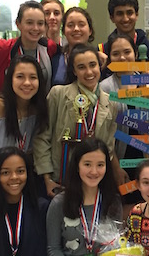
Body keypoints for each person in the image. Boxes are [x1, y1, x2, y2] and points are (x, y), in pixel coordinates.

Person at [33, 44, 119, 198]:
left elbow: (108, 147)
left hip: (93, 181)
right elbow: (42, 136)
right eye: (81, 67)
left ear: (100, 66)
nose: (89, 72)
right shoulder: (58, 94)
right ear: (74, 71)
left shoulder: (110, 102)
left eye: (93, 65)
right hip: (60, 180)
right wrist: (47, 178)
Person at [100, 33, 149, 214]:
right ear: (109, 58)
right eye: (116, 53)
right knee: (126, 211)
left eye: (127, 52)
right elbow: (104, 132)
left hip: (148, 157)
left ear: (136, 54)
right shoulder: (104, 88)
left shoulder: (148, 81)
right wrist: (115, 166)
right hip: (121, 160)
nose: (122, 57)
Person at [100, 0, 149, 64]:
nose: (125, 19)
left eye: (129, 13)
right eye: (120, 14)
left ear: (136, 15)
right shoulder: (103, 51)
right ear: (112, 18)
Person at [51, 7, 99, 86]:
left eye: (81, 24)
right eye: (70, 25)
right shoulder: (54, 60)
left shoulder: (101, 59)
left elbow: (117, 84)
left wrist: (124, 96)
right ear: (63, 31)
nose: (76, 29)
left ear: (90, 30)